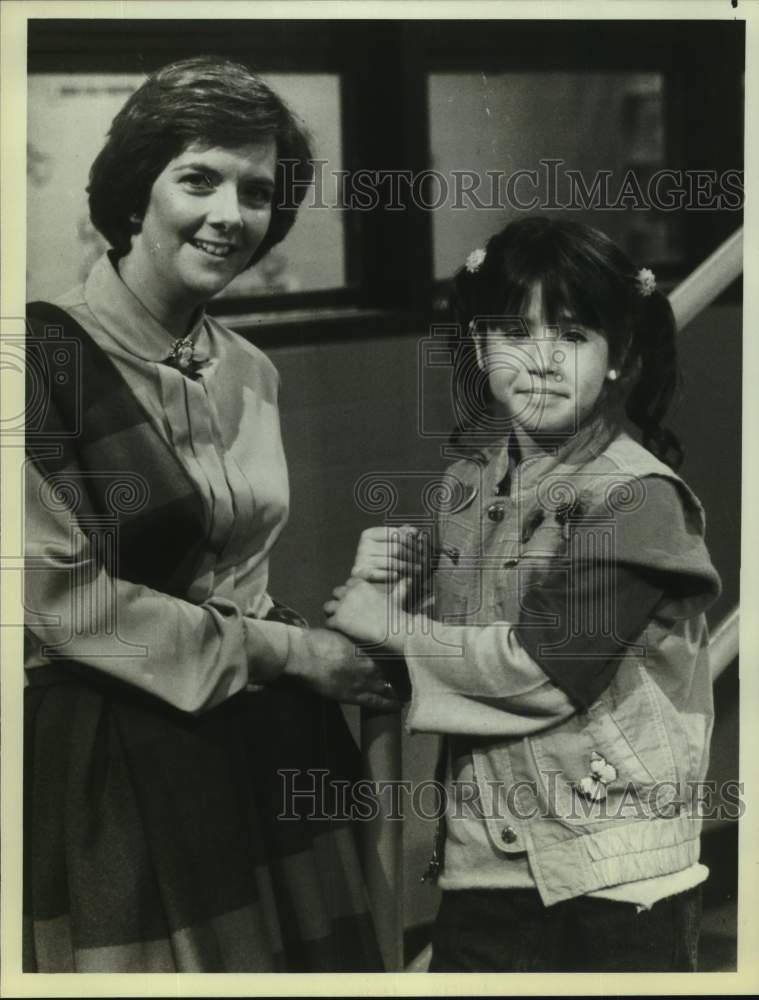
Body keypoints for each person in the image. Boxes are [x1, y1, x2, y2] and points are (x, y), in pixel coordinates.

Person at [23, 56, 394, 973]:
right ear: (132, 192)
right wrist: (297, 653)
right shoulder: (35, 361)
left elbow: (241, 572)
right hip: (115, 762)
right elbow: (66, 603)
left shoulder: (249, 370)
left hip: (262, 746)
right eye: (198, 179)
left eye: (258, 191)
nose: (230, 214)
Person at [324, 216, 721, 972]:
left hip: (613, 874)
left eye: (570, 338)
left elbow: (544, 670)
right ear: (478, 347)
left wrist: (395, 630)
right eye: (512, 334)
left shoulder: (637, 500)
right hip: (488, 859)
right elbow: (457, 654)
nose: (538, 362)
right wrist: (392, 596)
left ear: (620, 357)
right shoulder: (465, 489)